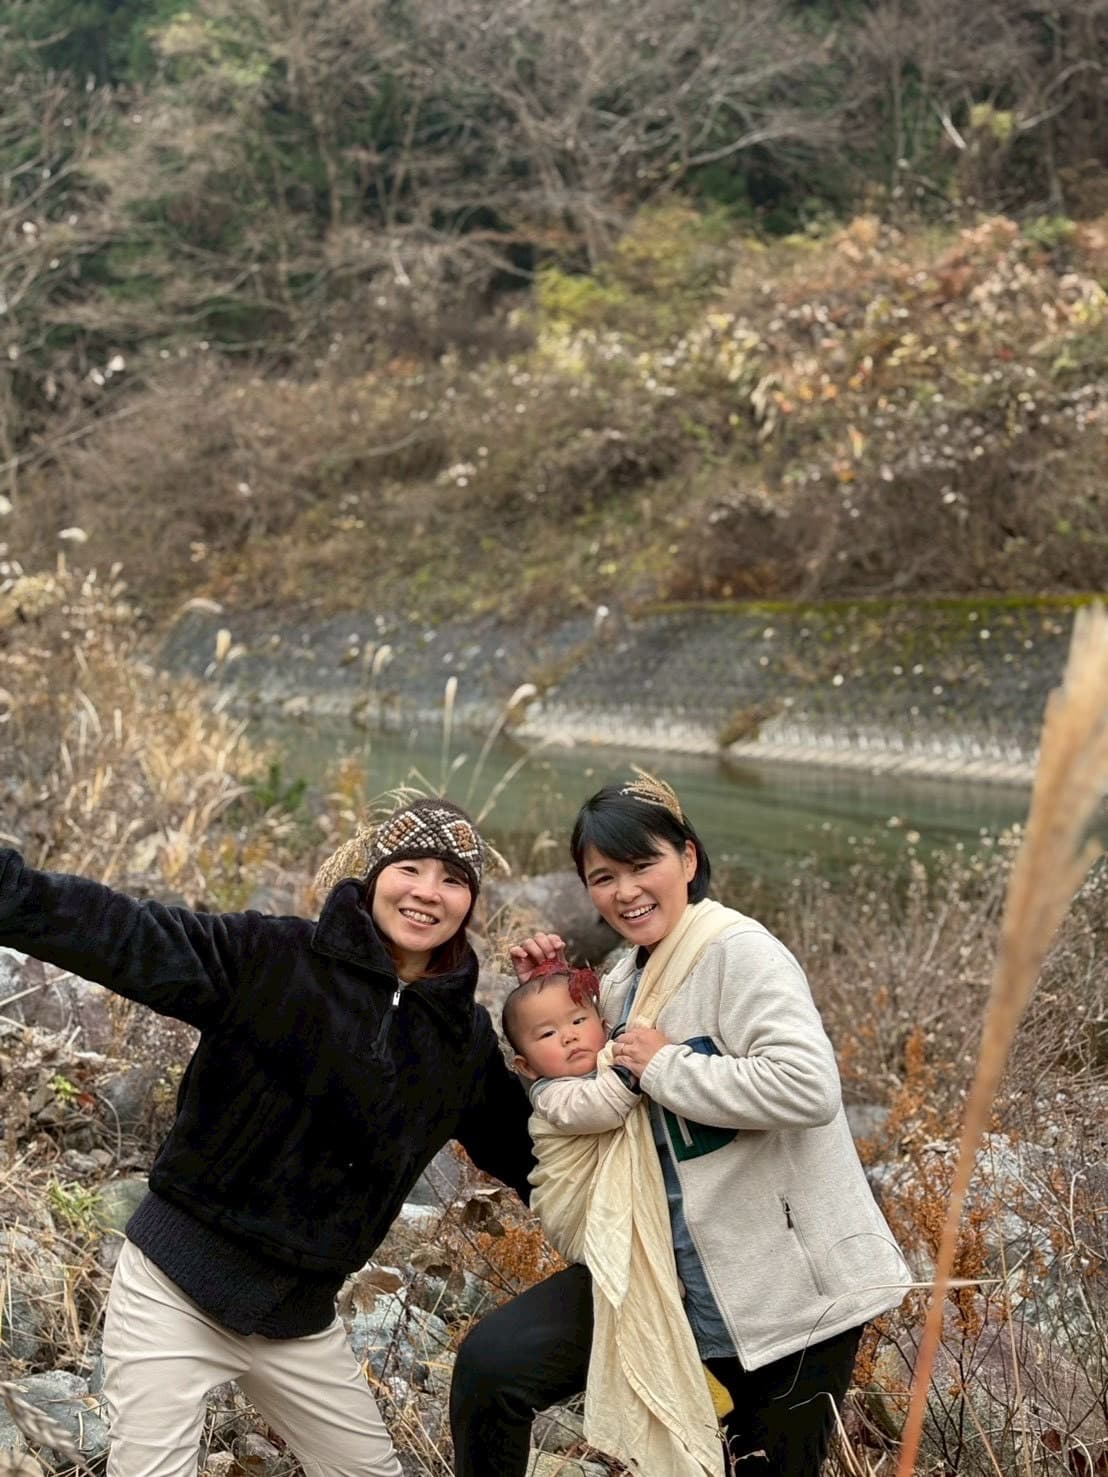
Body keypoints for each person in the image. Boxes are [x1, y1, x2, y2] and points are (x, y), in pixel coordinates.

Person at [0, 796, 535, 1477]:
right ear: (375, 874)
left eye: (453, 879)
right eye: (411, 867)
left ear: (470, 901)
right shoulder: (272, 956)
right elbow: (125, 935)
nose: (428, 891)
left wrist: (570, 1026)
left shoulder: (463, 1041)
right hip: (175, 1293)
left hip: (297, 1325)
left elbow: (533, 1155)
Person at [451, 772, 910, 1477]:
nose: (626, 890)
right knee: (493, 1366)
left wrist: (666, 1067)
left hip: (786, 1295)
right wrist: (549, 992)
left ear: (688, 860)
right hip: (661, 1275)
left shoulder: (738, 951)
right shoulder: (621, 975)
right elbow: (584, 1065)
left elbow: (810, 1087)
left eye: (643, 865)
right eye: (603, 876)